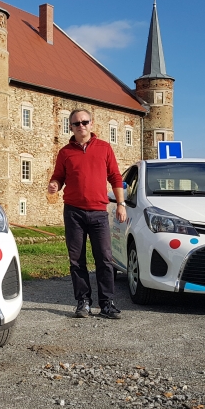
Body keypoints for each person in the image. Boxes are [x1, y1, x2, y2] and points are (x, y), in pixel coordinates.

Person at [48, 109, 126, 319]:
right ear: (71, 127)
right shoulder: (65, 152)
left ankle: (107, 303)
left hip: (99, 212)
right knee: (76, 260)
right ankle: (83, 302)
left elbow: (115, 177)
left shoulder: (104, 148)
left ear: (91, 124)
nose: (81, 126)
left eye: (84, 122)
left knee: (105, 259)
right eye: (76, 123)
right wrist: (54, 184)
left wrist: (121, 204)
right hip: (74, 212)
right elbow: (58, 176)